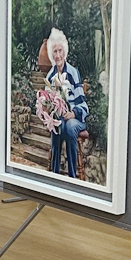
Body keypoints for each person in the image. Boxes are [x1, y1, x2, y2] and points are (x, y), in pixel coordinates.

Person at [46, 28, 88, 177]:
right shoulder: (50, 76)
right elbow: (48, 104)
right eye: (54, 52)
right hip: (61, 118)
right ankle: (55, 175)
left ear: (65, 51)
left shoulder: (73, 72)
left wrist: (74, 113)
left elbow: (82, 104)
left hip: (76, 118)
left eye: (60, 51)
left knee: (70, 127)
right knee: (57, 127)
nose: (58, 55)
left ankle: (72, 176)